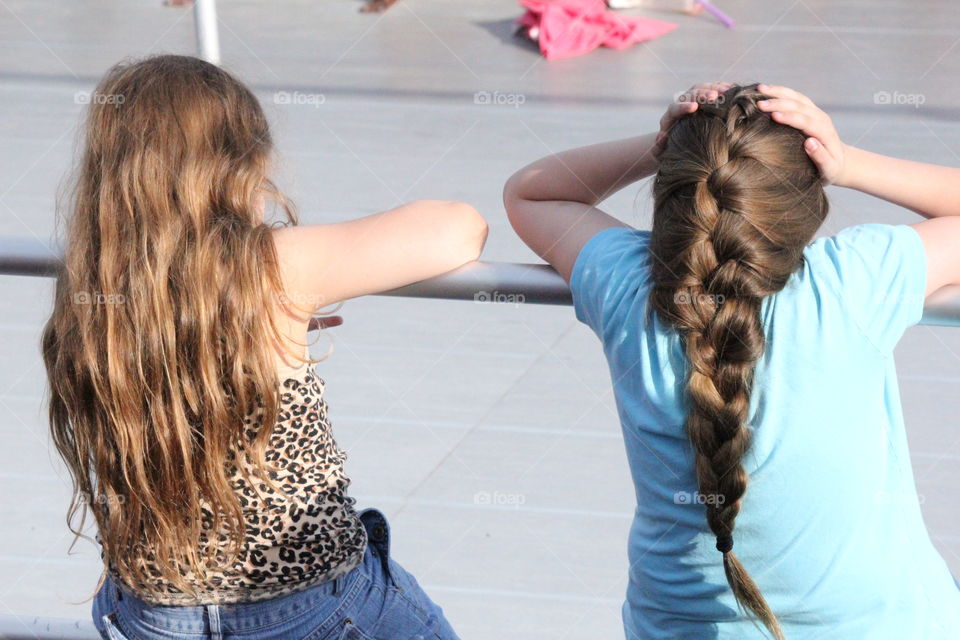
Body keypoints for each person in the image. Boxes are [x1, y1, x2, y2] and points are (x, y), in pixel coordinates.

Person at [42, 54, 487, 640]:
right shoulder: (268, 267)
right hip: (307, 605)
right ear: (241, 162)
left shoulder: (92, 284)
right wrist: (278, 295)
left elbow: (176, 331)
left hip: (156, 611)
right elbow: (459, 227)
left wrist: (247, 324)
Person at [503, 82, 960, 639]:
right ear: (808, 203)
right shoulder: (852, 283)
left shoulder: (630, 287)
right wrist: (846, 161)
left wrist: (657, 146)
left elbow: (533, 194)